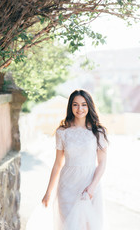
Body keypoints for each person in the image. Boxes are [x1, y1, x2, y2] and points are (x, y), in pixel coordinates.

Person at [42, 89, 108, 230]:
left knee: (89, 225)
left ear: (89, 106)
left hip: (90, 184)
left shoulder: (98, 132)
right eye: (75, 104)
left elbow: (102, 163)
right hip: (67, 186)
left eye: (84, 104)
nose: (80, 109)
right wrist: (48, 192)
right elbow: (57, 164)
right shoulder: (62, 132)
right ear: (70, 107)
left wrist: (91, 187)